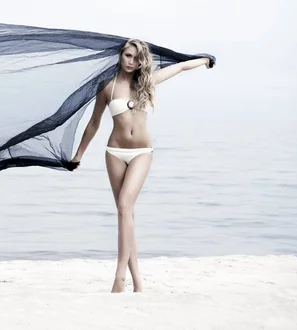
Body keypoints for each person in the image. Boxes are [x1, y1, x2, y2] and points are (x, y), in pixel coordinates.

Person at [68, 38, 214, 293]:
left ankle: (119, 278)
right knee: (126, 215)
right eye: (128, 56)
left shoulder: (147, 82)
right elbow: (94, 124)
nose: (132, 62)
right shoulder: (107, 87)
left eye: (137, 58)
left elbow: (179, 68)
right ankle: (138, 283)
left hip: (141, 153)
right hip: (114, 153)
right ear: (120, 55)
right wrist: (78, 155)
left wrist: (204, 60)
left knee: (125, 207)